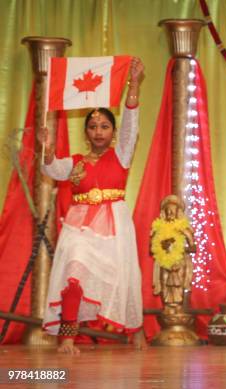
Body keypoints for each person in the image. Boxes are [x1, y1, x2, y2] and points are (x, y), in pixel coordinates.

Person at [38, 57, 146, 354]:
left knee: (123, 278)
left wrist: (133, 84)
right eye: (93, 126)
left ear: (113, 132)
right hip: (80, 226)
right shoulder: (75, 162)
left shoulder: (121, 155)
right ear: (86, 132)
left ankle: (135, 330)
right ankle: (68, 338)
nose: (99, 131)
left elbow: (131, 126)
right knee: (73, 270)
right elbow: (52, 170)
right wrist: (47, 152)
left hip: (114, 225)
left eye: (105, 126)